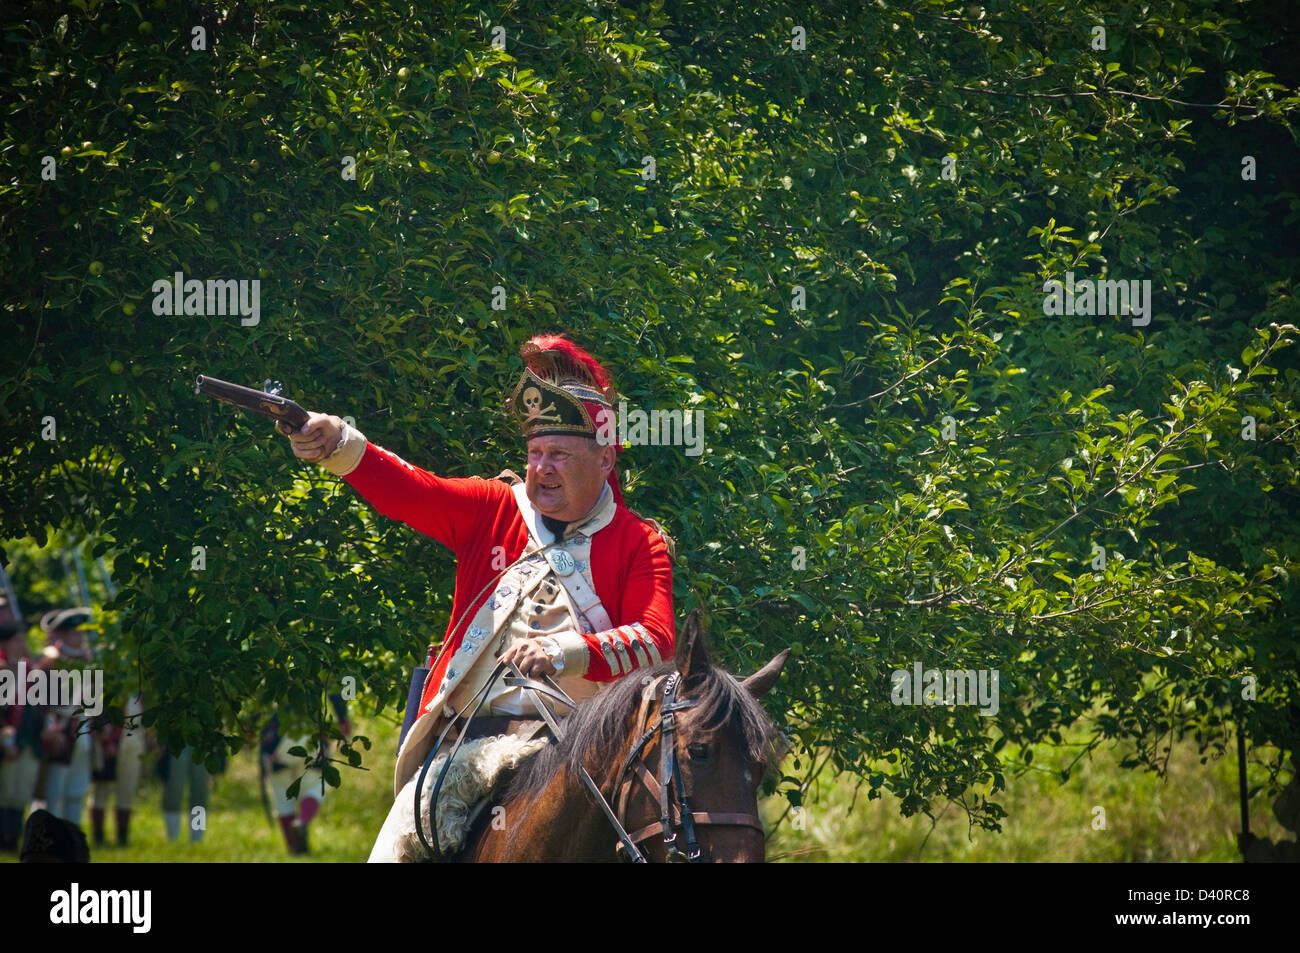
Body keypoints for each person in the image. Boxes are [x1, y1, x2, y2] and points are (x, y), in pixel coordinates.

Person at [279, 334, 677, 861]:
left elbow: (656, 642)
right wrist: (339, 442)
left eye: (559, 454)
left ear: (605, 460)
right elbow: (411, 490)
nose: (541, 468)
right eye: (535, 453)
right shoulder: (493, 509)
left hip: (584, 752)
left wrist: (565, 653)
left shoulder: (638, 541)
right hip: (467, 745)